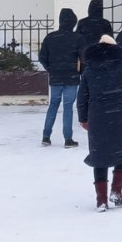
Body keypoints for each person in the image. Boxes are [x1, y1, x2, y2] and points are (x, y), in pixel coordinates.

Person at [77, 34, 122, 212]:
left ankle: (101, 200)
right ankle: (116, 190)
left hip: (97, 116)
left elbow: (82, 96)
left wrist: (83, 117)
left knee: (99, 155)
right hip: (121, 115)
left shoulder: (89, 69)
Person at [39, 8, 84, 148]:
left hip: (56, 77)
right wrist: (80, 72)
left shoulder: (50, 37)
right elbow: (83, 58)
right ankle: (68, 138)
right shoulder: (78, 38)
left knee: (53, 105)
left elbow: (42, 57)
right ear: (73, 22)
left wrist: (51, 69)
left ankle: (46, 136)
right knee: (68, 107)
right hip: (71, 77)